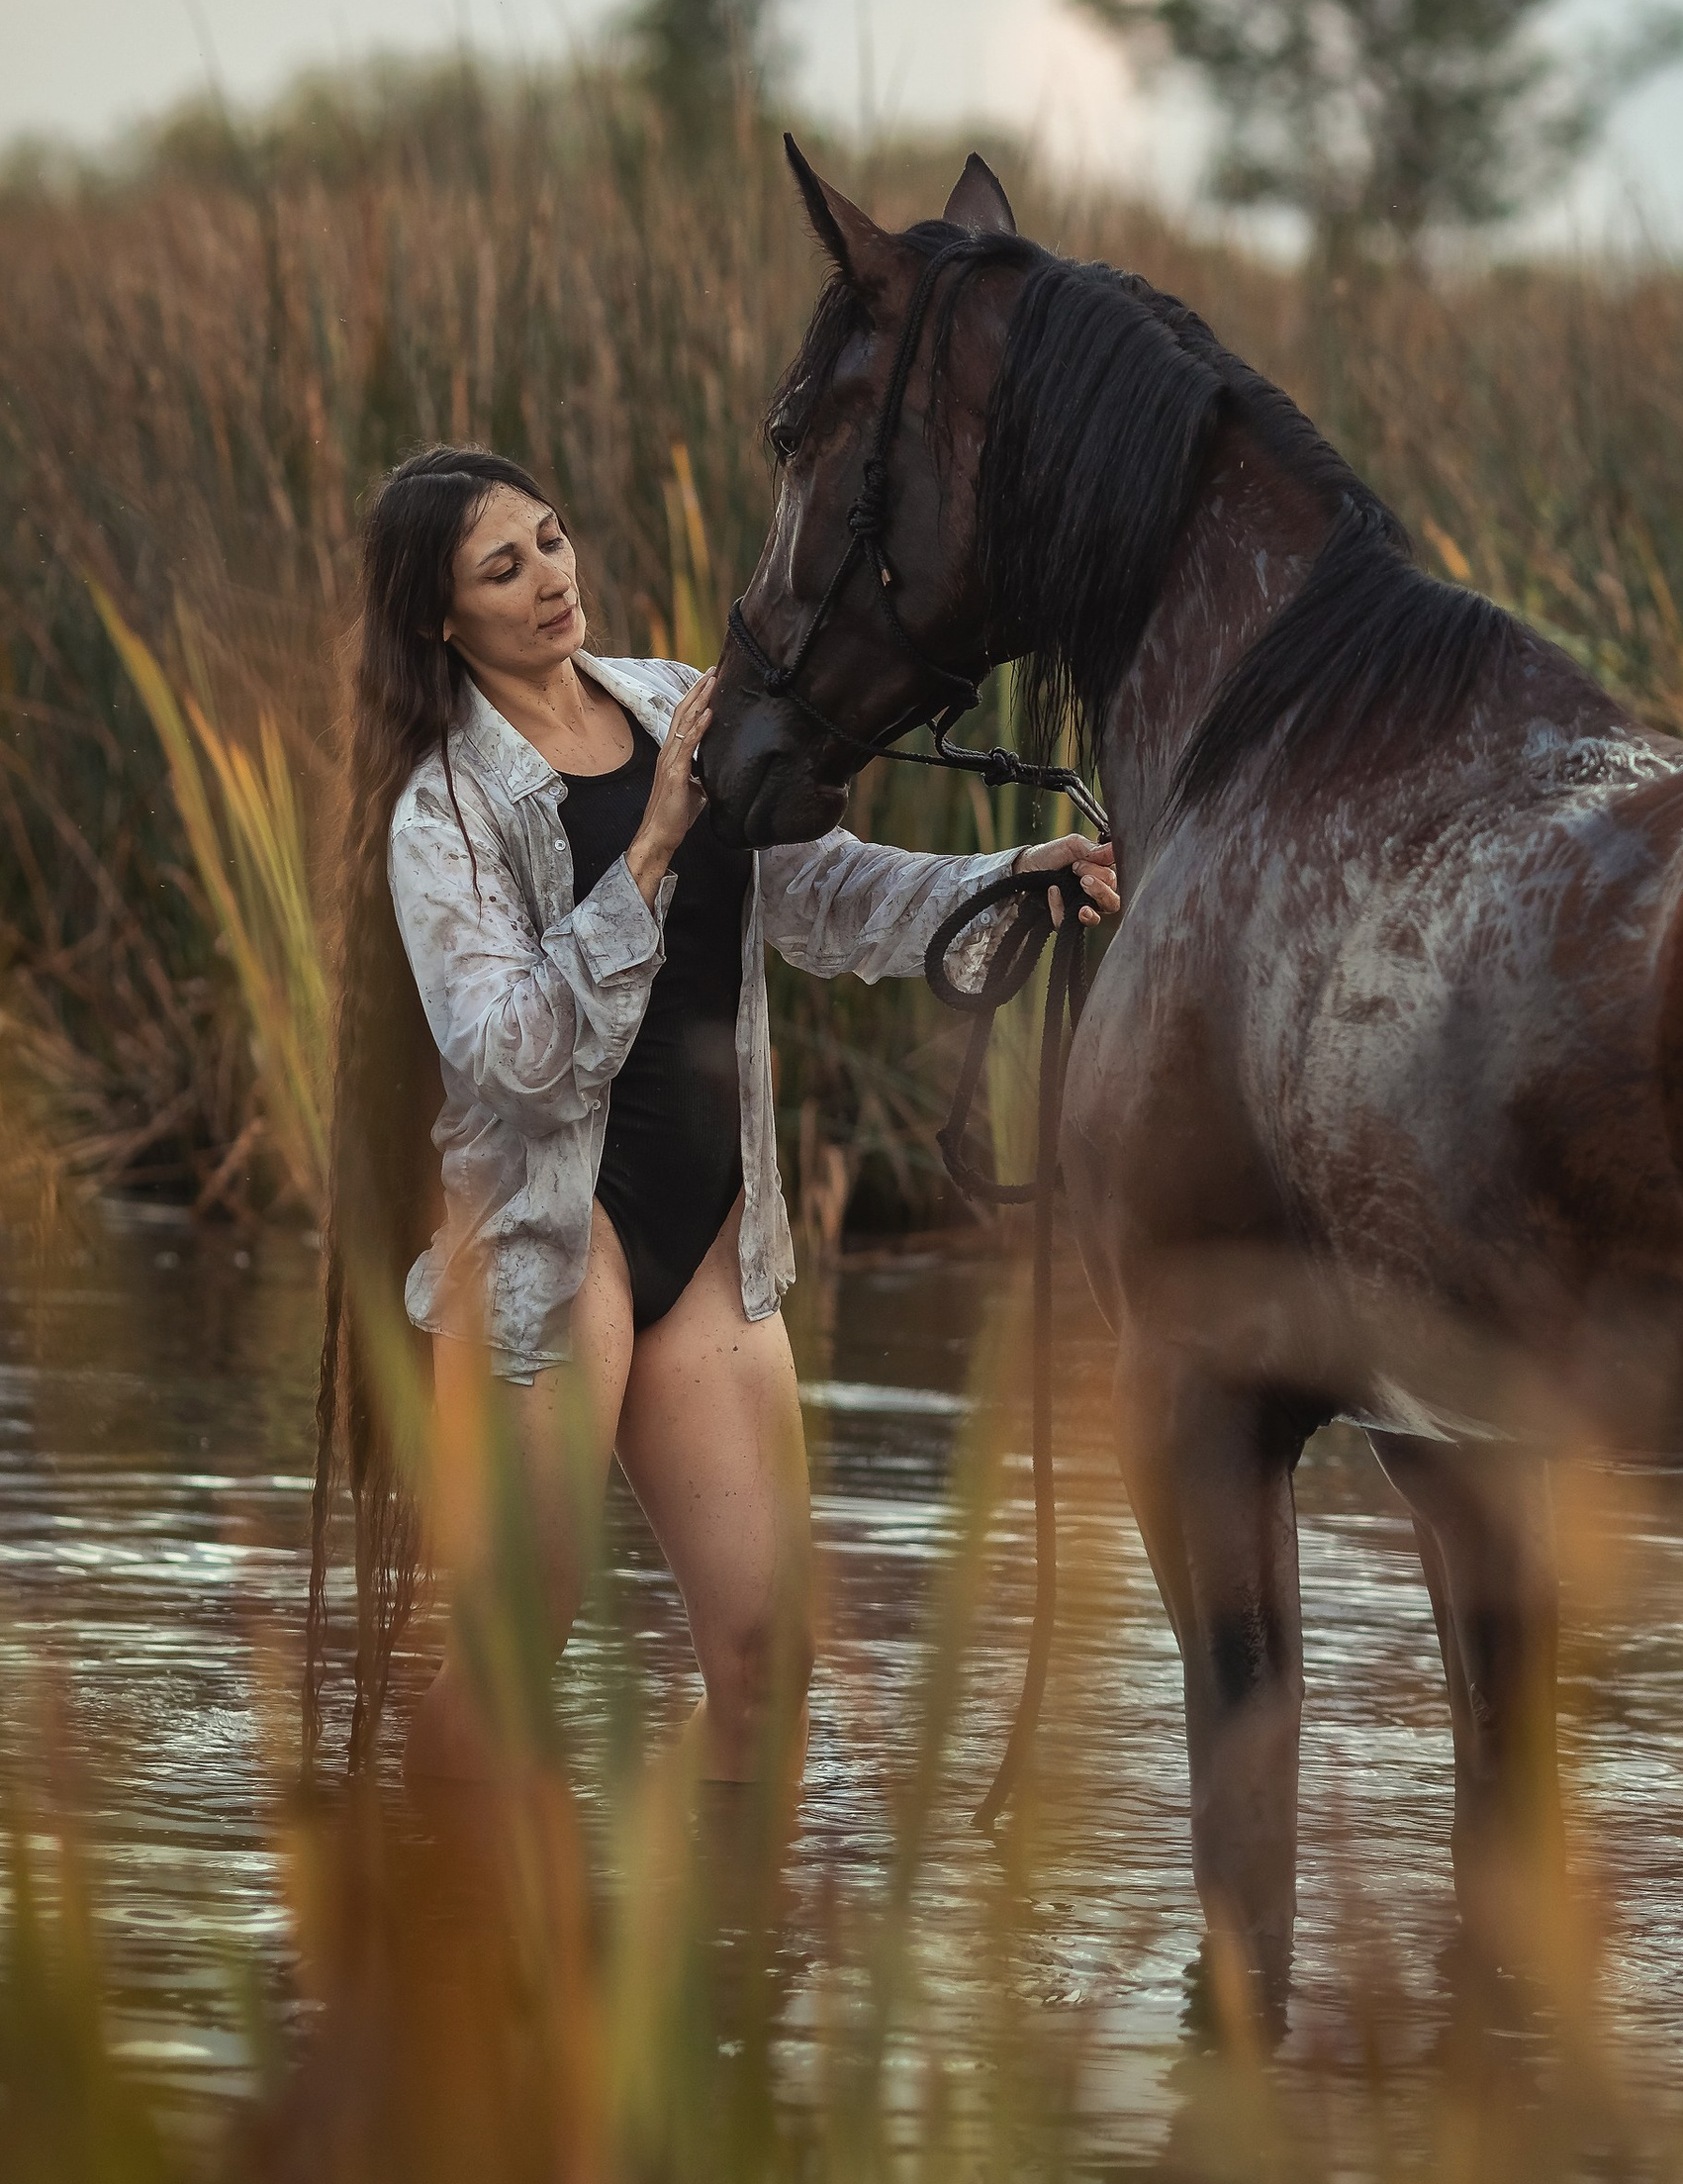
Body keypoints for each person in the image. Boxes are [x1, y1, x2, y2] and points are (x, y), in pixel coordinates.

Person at [303, 441, 1116, 1797]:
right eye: (504, 569)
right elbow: (508, 1061)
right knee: (516, 1647)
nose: (551, 578)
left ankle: (700, 1973)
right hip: (547, 1238)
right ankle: (419, 1939)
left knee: (765, 1664)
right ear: (442, 620)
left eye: (552, 538)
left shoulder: (680, 701)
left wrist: (1018, 878)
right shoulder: (439, 808)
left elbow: (827, 896)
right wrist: (653, 852)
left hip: (710, 1222)